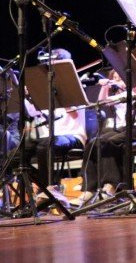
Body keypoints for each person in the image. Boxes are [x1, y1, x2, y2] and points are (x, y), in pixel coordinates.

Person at [75, 70, 136, 205]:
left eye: (120, 78)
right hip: (123, 129)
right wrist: (105, 86)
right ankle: (89, 189)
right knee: (94, 142)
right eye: (115, 78)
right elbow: (102, 102)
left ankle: (111, 185)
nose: (117, 81)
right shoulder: (123, 94)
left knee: (110, 141)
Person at [22, 48, 87, 205]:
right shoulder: (45, 89)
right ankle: (45, 185)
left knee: (46, 144)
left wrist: (60, 93)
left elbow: (74, 114)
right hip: (49, 137)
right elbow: (32, 112)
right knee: (17, 153)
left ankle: (50, 187)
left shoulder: (72, 86)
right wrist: (28, 96)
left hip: (73, 135)